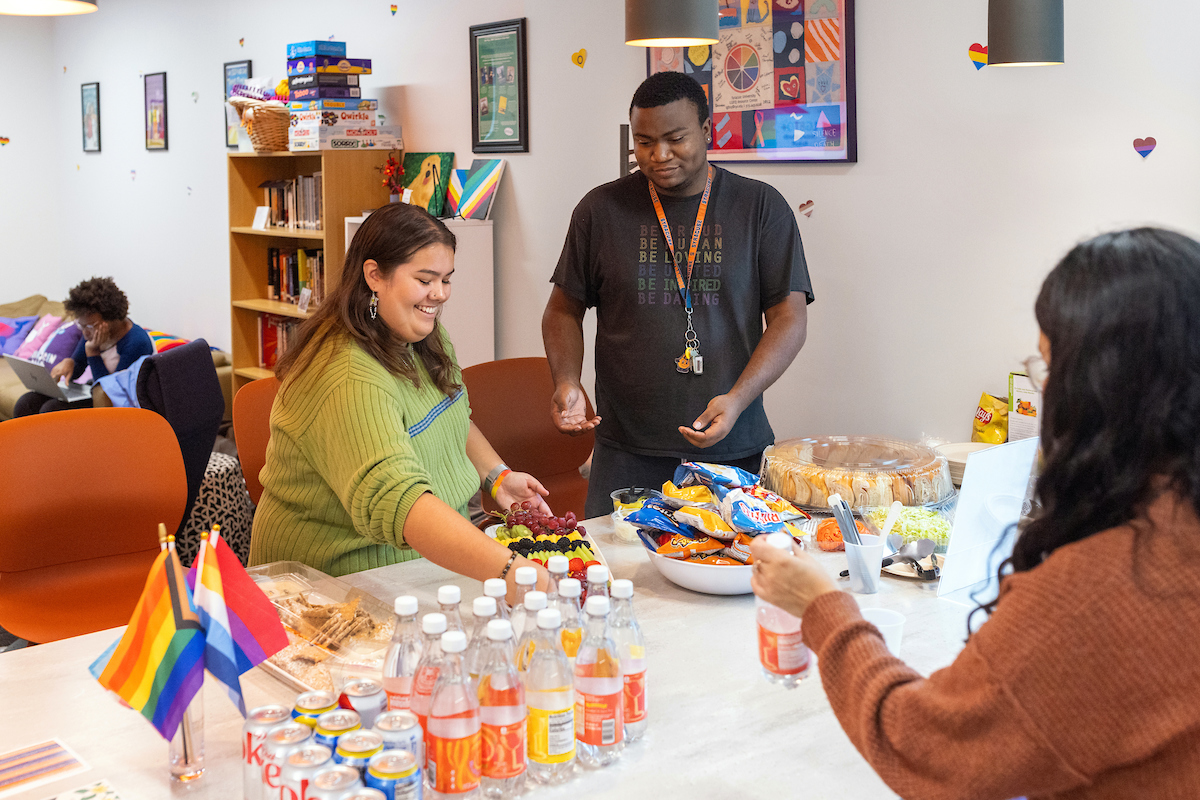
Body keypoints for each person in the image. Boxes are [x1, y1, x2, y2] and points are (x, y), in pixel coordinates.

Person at [750, 228, 1200, 798]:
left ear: (1103, 389)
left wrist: (821, 607)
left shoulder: (1103, 590)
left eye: (1047, 368)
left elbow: (926, 748)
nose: (1042, 394)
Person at [542, 71, 813, 518]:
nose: (658, 155)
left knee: (736, 578)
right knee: (613, 579)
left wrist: (739, 398)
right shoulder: (600, 210)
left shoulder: (760, 207)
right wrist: (567, 380)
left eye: (675, 138)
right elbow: (562, 310)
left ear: (707, 132)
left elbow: (789, 318)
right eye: (644, 141)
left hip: (733, 448)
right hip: (624, 452)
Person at [249, 203, 550, 597]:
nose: (440, 294)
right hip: (332, 586)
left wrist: (498, 477)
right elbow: (400, 502)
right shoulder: (344, 374)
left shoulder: (422, 335)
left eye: (446, 279)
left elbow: (452, 417)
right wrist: (511, 571)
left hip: (421, 567)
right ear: (375, 275)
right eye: (425, 279)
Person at [14, 276, 155, 416]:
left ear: (111, 317)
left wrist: (93, 352)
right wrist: (70, 364)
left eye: (89, 325)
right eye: (81, 325)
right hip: (95, 390)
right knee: (26, 402)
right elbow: (77, 370)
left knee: (52, 410)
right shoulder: (91, 330)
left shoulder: (136, 342)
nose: (85, 332)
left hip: (119, 403)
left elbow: (112, 394)